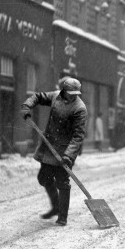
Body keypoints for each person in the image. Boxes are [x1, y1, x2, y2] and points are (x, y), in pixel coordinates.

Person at [21, 76, 87, 226]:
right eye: (71, 93)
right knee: (43, 178)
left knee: (62, 182)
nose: (74, 96)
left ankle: (62, 216)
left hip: (65, 150)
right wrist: (27, 105)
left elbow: (78, 136)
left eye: (76, 94)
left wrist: (69, 155)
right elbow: (38, 97)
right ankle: (56, 206)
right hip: (49, 147)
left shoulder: (79, 108)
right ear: (64, 91)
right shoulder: (55, 96)